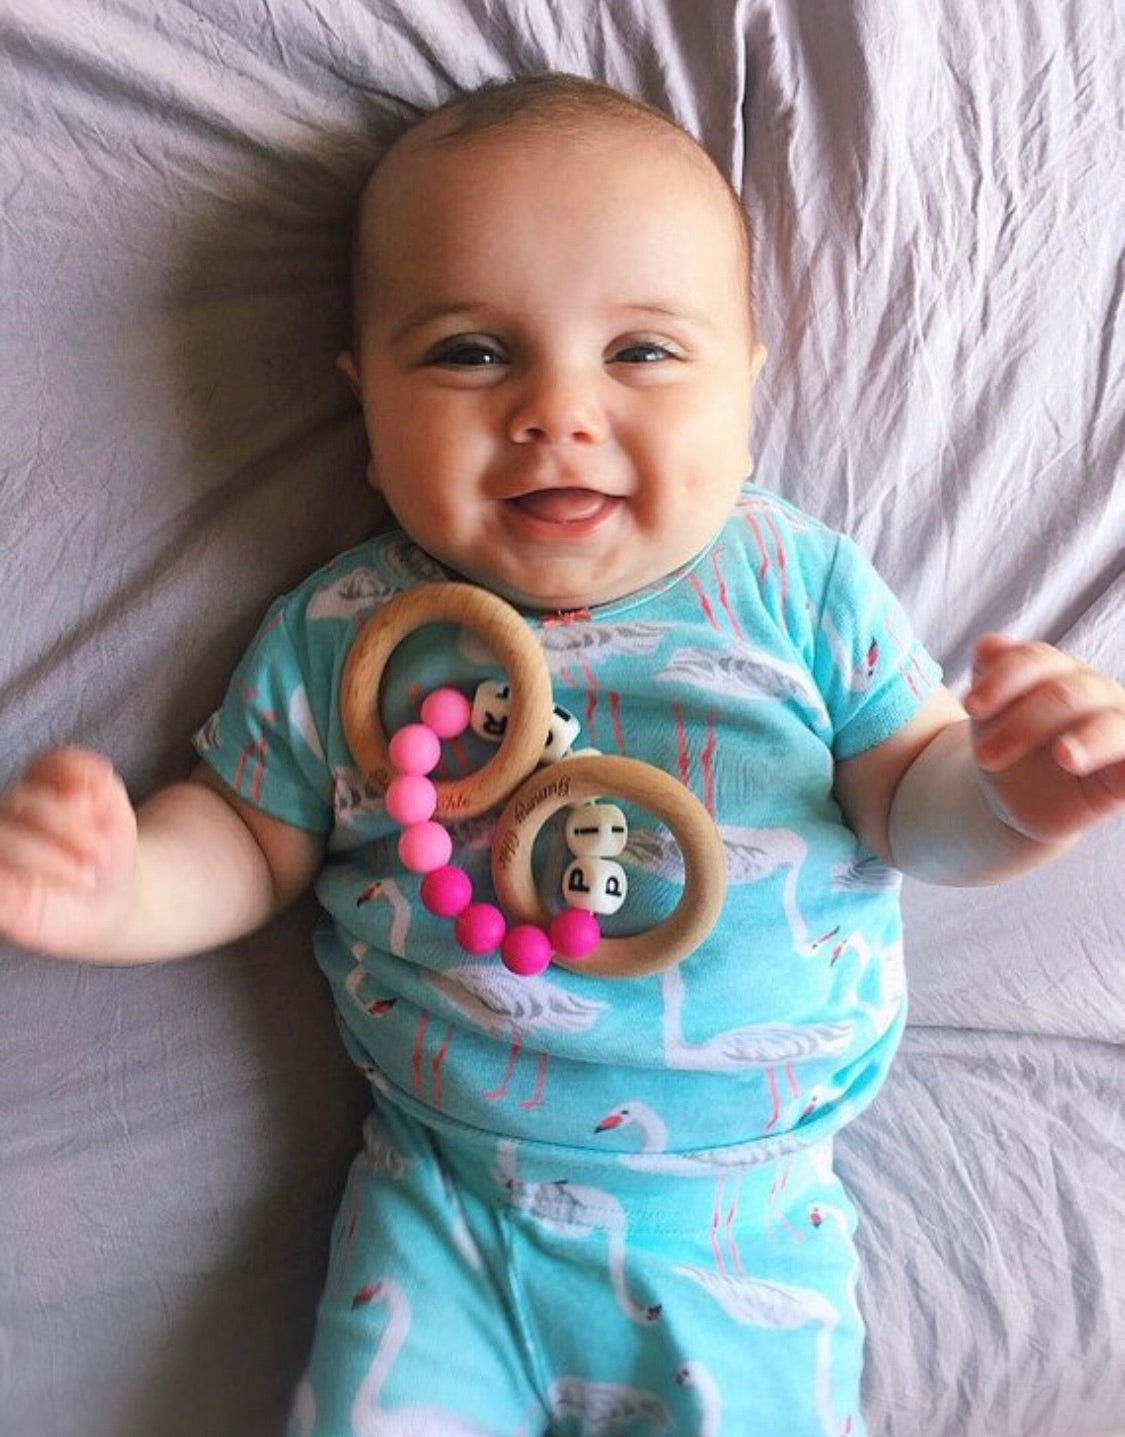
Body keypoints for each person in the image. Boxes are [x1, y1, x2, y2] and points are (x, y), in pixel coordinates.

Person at [0, 72, 1122, 1437]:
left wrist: (1018, 794)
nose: (554, 409)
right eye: (471, 352)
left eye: (642, 352)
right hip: (446, 1204)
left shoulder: (797, 589)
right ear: (362, 398)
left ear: (749, 384)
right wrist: (120, 885)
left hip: (741, 1225)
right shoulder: (349, 631)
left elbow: (910, 805)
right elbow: (245, 839)